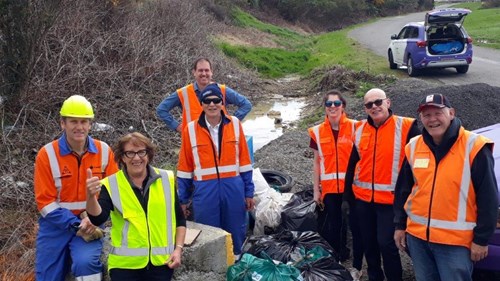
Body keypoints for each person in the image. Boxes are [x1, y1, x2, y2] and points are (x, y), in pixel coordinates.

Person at [393, 94, 499, 281]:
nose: (432, 119)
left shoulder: (474, 146)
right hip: (418, 239)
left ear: (451, 113)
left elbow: (489, 198)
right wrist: (400, 225)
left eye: (437, 113)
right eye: (426, 115)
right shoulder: (414, 146)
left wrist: (481, 240)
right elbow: (404, 190)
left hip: (455, 243)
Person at [34, 95, 119, 281]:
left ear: (90, 124)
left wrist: (94, 218)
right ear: (62, 123)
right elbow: (45, 202)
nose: (79, 127)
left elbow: (114, 191)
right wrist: (75, 225)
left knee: (86, 264)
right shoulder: (47, 154)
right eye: (73, 121)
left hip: (91, 224)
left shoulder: (104, 151)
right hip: (55, 226)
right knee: (47, 274)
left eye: (84, 121)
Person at [86, 132, 187, 281]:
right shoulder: (111, 184)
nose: (137, 158)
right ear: (122, 157)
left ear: (148, 154)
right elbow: (97, 218)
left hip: (161, 265)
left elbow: (179, 219)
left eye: (141, 152)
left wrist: (178, 250)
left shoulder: (166, 179)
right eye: (130, 153)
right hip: (125, 267)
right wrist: (90, 196)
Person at [344, 88, 420, 281]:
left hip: (391, 201)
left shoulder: (407, 126)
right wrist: (348, 198)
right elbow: (353, 163)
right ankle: (374, 277)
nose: (374, 107)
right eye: (369, 105)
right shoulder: (360, 129)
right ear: (365, 108)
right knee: (369, 244)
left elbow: (417, 163)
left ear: (388, 102)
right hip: (363, 200)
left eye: (378, 102)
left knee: (387, 244)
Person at [176, 83, 255, 257]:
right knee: (208, 233)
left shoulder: (235, 124)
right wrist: (182, 200)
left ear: (222, 102)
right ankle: (213, 269)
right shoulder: (190, 129)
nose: (212, 104)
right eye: (207, 100)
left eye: (216, 100)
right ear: (201, 103)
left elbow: (245, 162)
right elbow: (184, 167)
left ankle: (235, 265)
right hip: (204, 192)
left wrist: (249, 192)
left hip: (233, 189)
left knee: (236, 229)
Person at [307, 90, 363, 280]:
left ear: (343, 106)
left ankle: (357, 265)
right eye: (329, 104)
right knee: (334, 225)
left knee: (356, 226)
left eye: (336, 104)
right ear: (325, 107)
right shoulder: (317, 131)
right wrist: (316, 190)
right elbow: (316, 162)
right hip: (330, 189)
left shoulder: (356, 127)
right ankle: (337, 260)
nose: (332, 107)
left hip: (353, 188)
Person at [156, 57, 252, 133]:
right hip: (193, 143)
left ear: (211, 72)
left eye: (206, 70)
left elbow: (246, 104)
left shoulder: (222, 90)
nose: (204, 73)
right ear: (194, 72)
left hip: (220, 140)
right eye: (200, 70)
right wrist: (176, 126)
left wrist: (230, 123)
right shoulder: (183, 93)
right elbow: (161, 109)